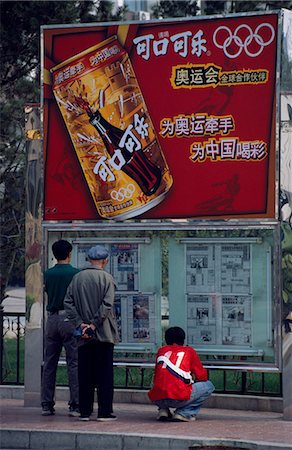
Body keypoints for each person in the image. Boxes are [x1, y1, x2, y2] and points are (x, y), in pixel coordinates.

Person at [64, 245, 119, 422]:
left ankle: (85, 411)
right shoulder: (107, 278)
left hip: (83, 335)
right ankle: (104, 412)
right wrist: (94, 325)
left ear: (88, 259)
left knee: (85, 374)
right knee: (104, 374)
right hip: (103, 334)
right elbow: (107, 305)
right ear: (105, 261)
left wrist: (81, 325)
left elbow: (68, 303)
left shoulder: (77, 278)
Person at [41, 240, 80, 416]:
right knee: (73, 362)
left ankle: (47, 404)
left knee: (50, 362)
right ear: (69, 254)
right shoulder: (75, 273)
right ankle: (75, 404)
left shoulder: (48, 274)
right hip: (69, 319)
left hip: (52, 319)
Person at [148, 326, 214, 422]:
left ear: (166, 340)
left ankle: (163, 410)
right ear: (183, 339)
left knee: (160, 384)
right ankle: (183, 413)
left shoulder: (161, 351)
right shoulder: (189, 351)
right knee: (209, 386)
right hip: (178, 397)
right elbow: (202, 376)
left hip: (158, 398)